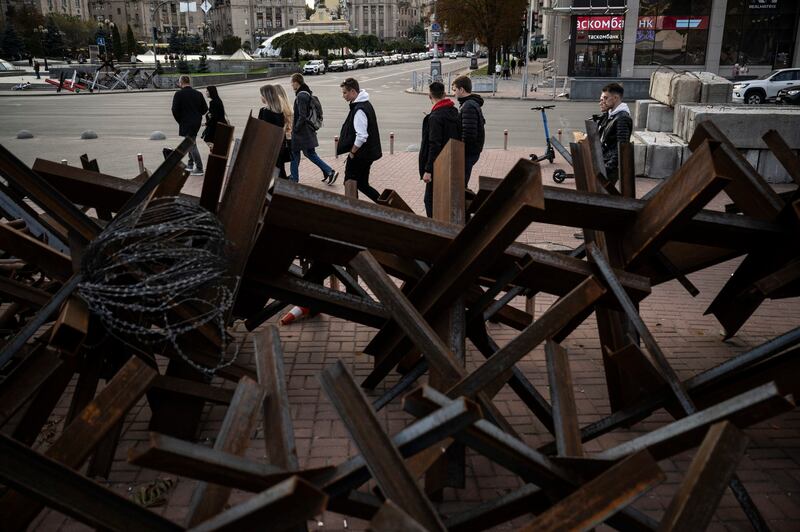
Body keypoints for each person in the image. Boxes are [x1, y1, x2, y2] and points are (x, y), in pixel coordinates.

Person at [419, 81, 461, 217]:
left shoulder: (436, 117)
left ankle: (435, 230)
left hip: (438, 165)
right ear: (444, 94)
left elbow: (434, 144)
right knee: (445, 198)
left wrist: (428, 170)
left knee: (429, 200)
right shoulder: (453, 111)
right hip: (452, 160)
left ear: (429, 96)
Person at [336, 77, 382, 201]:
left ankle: (352, 212)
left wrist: (352, 152)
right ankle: (384, 206)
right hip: (367, 154)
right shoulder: (365, 104)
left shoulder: (359, 109)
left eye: (345, 92)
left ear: (353, 92)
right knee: (362, 184)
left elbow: (362, 136)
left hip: (360, 155)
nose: (343, 96)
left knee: (349, 182)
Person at [289, 73, 337, 184]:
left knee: (296, 153)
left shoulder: (301, 95)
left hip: (302, 131)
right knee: (307, 153)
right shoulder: (306, 93)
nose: (291, 85)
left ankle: (295, 178)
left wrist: (295, 129)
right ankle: (327, 171)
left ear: (296, 82)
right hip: (307, 130)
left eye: (292, 82)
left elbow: (302, 115)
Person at [171, 75, 208, 175]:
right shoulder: (198, 94)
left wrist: (180, 120)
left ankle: (199, 168)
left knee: (191, 145)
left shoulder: (178, 94)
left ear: (181, 82)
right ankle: (190, 164)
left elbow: (174, 110)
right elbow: (205, 109)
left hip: (186, 122)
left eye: (179, 82)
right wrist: (197, 116)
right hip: (196, 122)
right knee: (190, 142)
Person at [452, 75, 485, 187]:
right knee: (462, 183)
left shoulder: (468, 106)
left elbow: (469, 133)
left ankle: (462, 204)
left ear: (462, 89)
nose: (454, 93)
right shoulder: (470, 103)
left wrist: (460, 152)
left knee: (460, 185)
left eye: (455, 90)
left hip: (468, 152)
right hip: (472, 151)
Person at [597, 82, 632, 183]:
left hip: (609, 166)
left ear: (615, 98)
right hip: (604, 161)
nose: (603, 101)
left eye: (606, 98)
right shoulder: (611, 114)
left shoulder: (622, 118)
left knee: (603, 195)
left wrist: (608, 167)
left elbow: (621, 147)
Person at [257, 84, 292, 179]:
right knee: (280, 170)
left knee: (272, 173)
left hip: (269, 147)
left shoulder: (265, 112)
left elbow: (262, 131)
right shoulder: (279, 111)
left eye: (261, 94)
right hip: (279, 146)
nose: (260, 97)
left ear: (266, 96)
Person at [201, 85, 227, 150]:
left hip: (216, 126)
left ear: (211, 92)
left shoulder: (213, 102)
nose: (206, 92)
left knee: (208, 140)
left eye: (207, 91)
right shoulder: (218, 100)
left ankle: (214, 152)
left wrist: (206, 123)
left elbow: (214, 117)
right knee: (211, 141)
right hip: (220, 125)